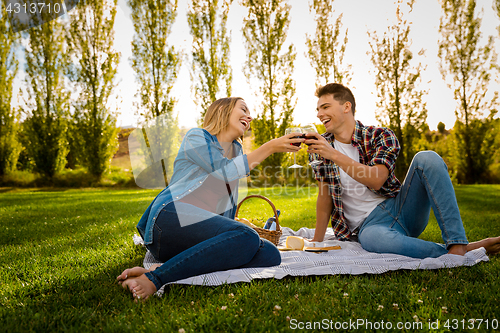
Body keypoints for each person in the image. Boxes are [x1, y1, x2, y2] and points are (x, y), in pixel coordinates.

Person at [117, 97, 304, 301]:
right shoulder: (197, 137)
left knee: (270, 254)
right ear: (223, 110)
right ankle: (155, 279)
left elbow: (228, 205)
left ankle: (162, 268)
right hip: (171, 219)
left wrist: (232, 233)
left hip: (194, 238)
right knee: (248, 236)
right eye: (243, 109)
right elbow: (223, 171)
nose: (249, 117)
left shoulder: (237, 150)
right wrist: (270, 147)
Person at [304, 83, 500, 259]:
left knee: (427, 158)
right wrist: (317, 241)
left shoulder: (380, 136)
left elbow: (376, 180)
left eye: (325, 107)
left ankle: (457, 243)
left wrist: (334, 155)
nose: (320, 114)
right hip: (370, 227)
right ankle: (465, 250)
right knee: (372, 240)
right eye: (318, 109)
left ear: (346, 106)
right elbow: (325, 195)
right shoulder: (321, 147)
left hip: (401, 209)